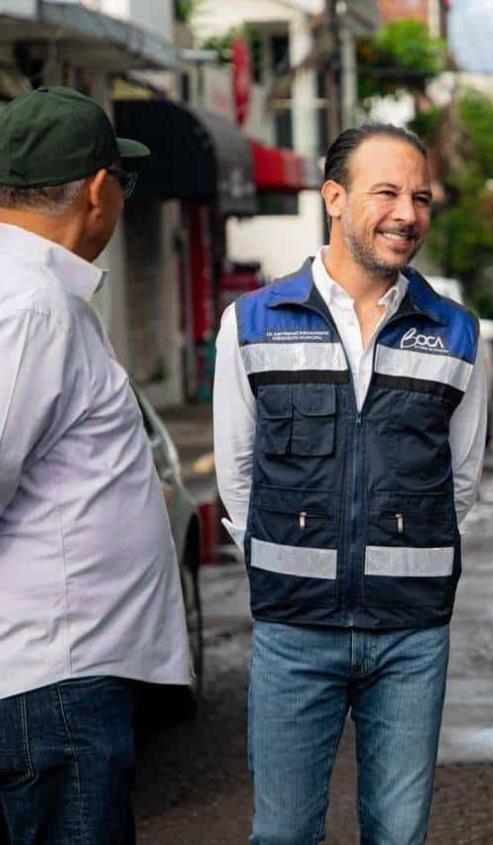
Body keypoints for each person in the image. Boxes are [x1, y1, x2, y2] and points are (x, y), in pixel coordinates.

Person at [213, 123, 488, 844]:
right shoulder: (251, 323)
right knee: (282, 833)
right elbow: (236, 475)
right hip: (293, 632)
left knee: (398, 834)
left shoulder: (458, 332)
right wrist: (289, 569)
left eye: (421, 197)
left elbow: (460, 481)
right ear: (334, 198)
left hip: (410, 635)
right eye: (387, 192)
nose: (408, 213)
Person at [0, 87, 190, 842]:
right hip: (51, 688)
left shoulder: (33, 293)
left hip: (54, 682)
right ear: (98, 189)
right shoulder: (30, 304)